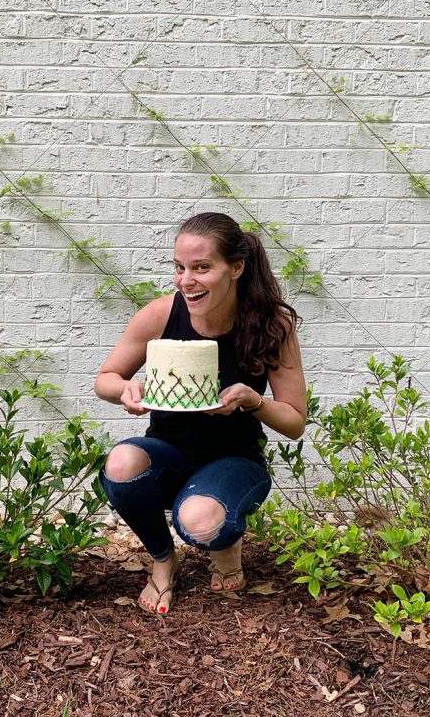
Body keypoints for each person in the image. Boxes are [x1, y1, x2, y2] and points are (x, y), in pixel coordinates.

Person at [94, 212, 307, 615]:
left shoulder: (270, 327)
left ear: (236, 268)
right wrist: (126, 389)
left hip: (235, 461)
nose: (186, 280)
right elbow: (105, 378)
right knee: (121, 462)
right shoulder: (161, 315)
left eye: (202, 267)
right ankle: (162, 559)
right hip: (167, 453)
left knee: (203, 525)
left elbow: (295, 422)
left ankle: (223, 538)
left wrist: (253, 400)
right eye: (180, 267)